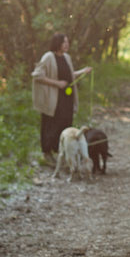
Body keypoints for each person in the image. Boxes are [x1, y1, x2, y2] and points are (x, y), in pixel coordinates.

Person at [31, 33, 91, 164]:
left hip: (66, 98)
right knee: (50, 125)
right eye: (64, 42)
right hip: (53, 100)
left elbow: (69, 75)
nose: (67, 45)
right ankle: (47, 153)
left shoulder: (67, 58)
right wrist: (57, 83)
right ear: (57, 43)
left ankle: (61, 153)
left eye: (68, 42)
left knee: (65, 124)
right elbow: (37, 75)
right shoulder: (48, 57)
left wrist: (82, 71)